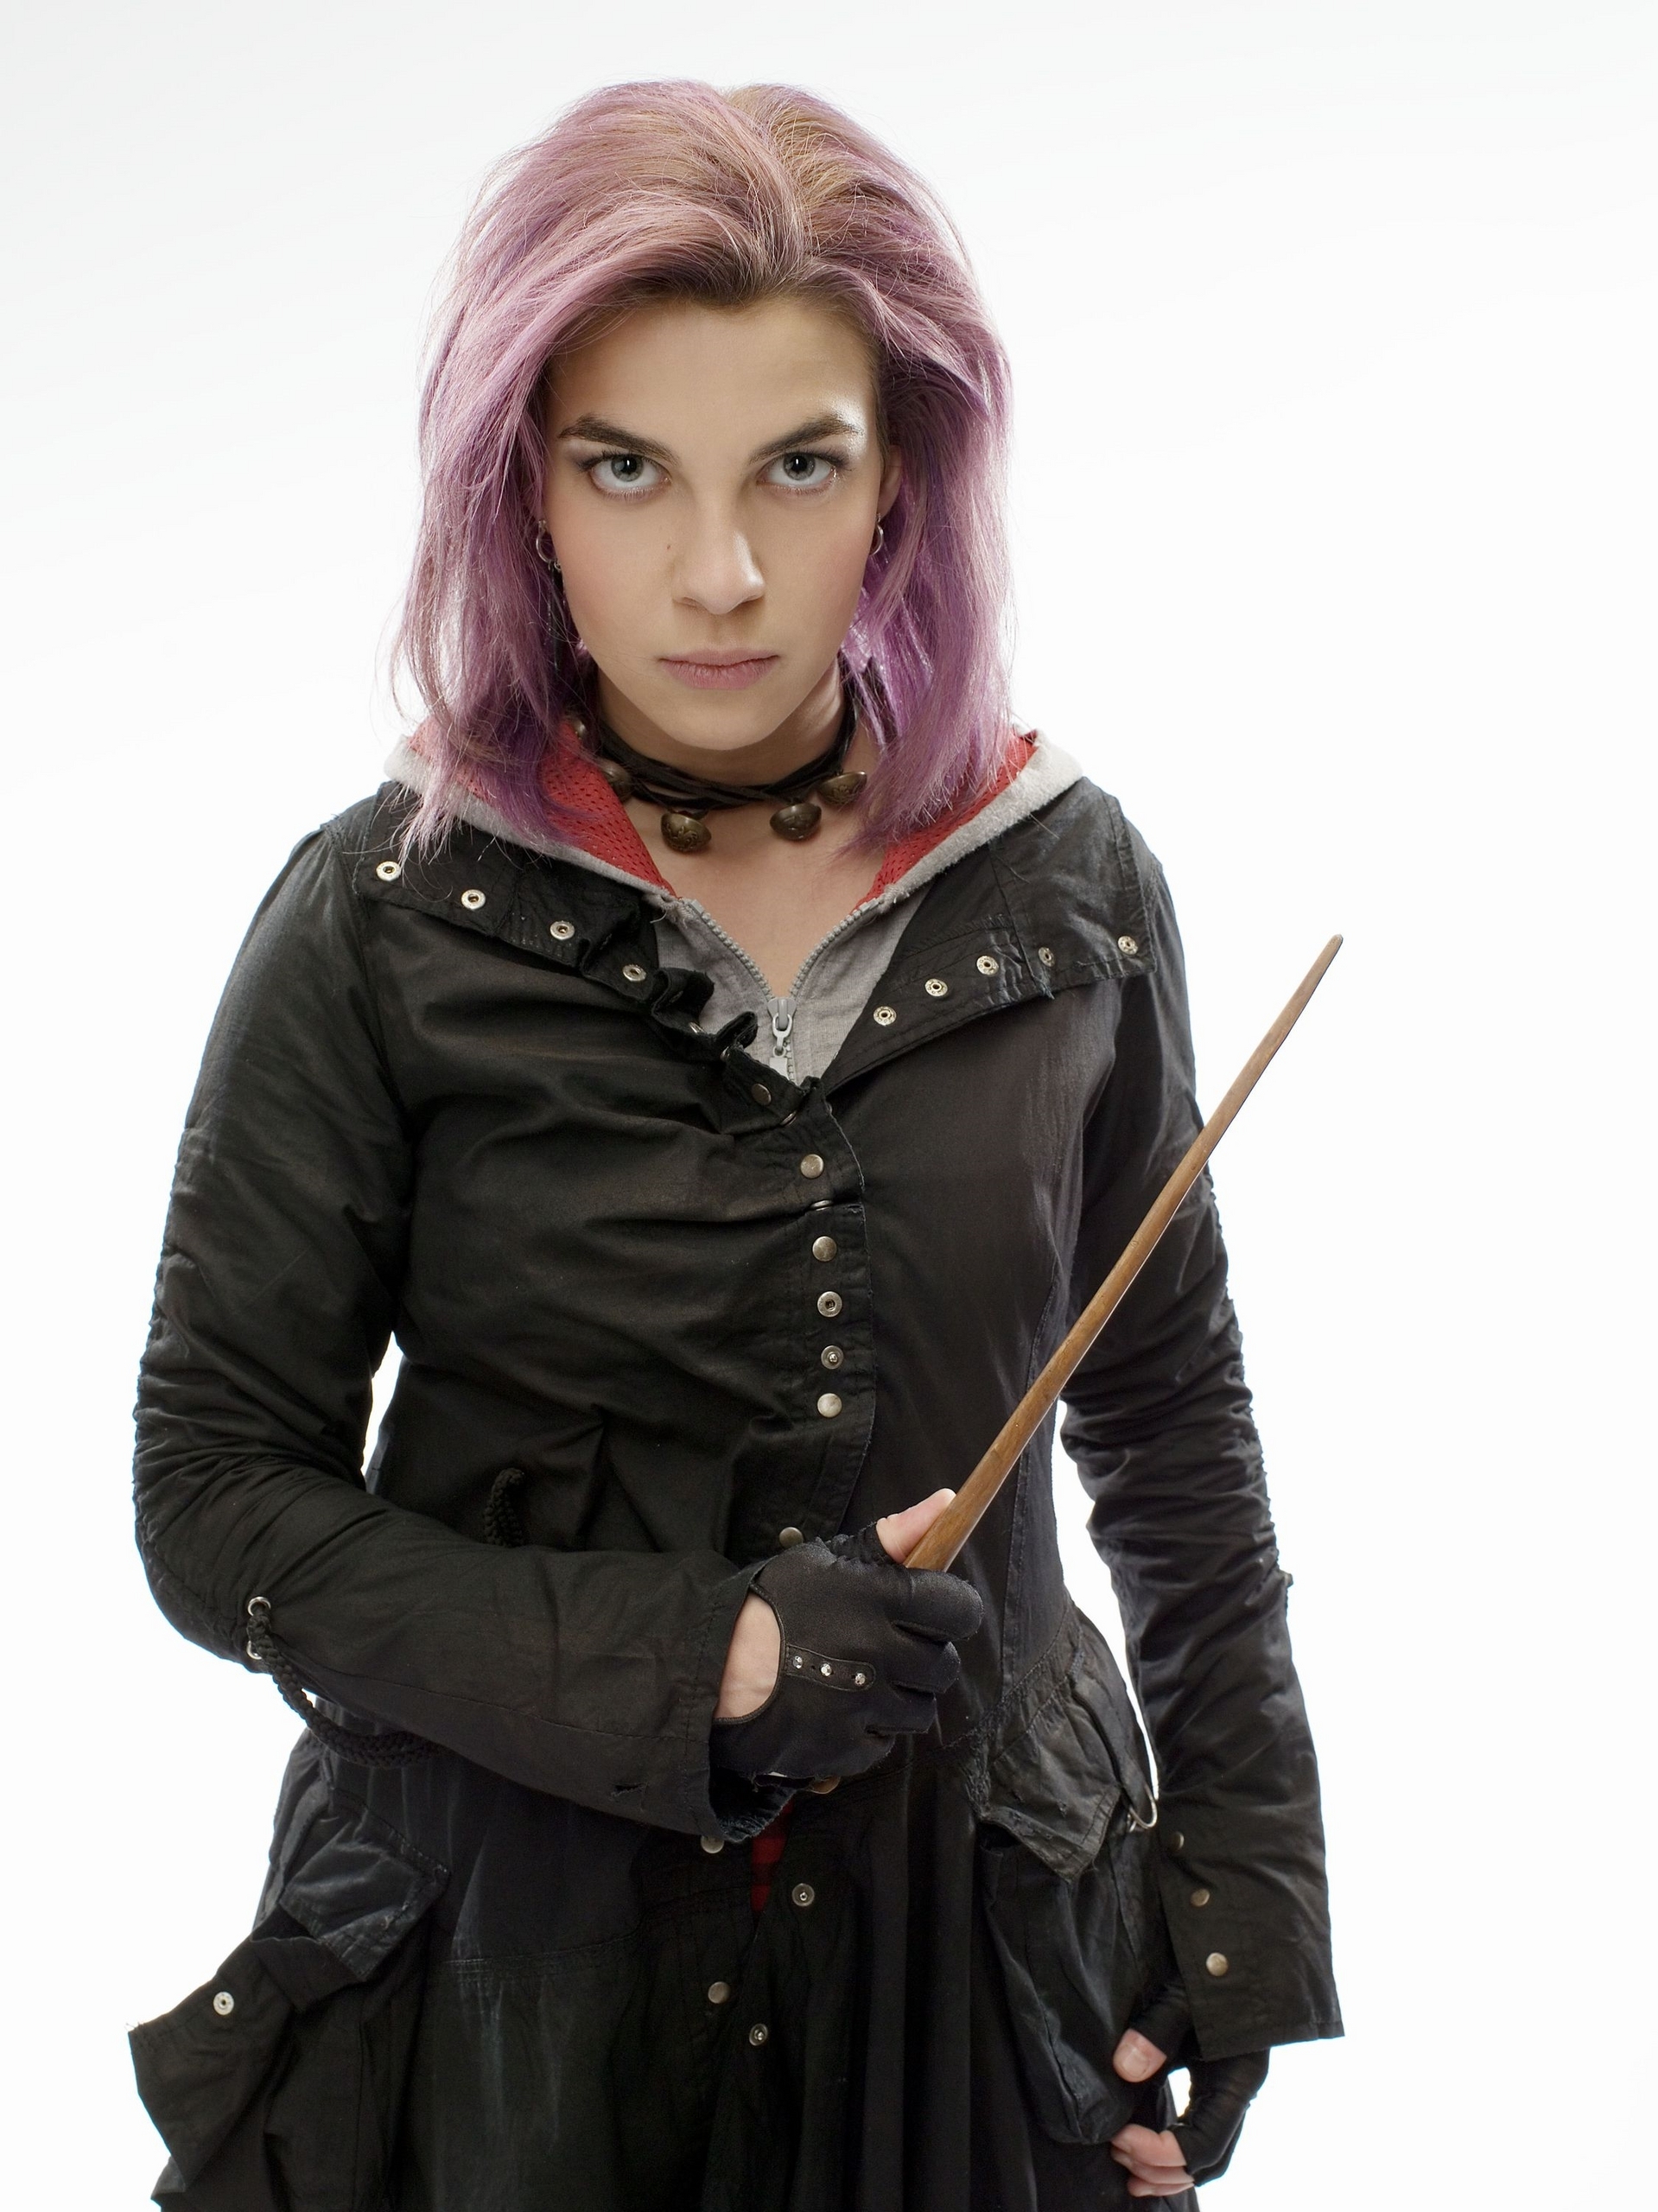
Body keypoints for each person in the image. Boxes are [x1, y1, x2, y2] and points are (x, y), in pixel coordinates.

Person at [129, 79, 1340, 2212]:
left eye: (800, 463)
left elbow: (1171, 1418)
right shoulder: (375, 920)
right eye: (628, 468)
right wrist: (709, 1664)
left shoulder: (1068, 883)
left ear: (901, 483)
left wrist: (1239, 1905)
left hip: (976, 1971)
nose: (719, 571)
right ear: (523, 487)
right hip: (507, 1996)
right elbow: (215, 1493)